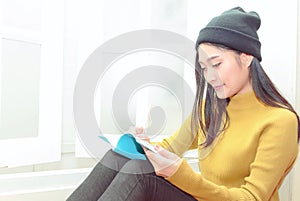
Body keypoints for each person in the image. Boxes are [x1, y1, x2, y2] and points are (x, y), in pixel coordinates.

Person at [67, 7, 299, 201]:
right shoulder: (210, 109)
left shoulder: (279, 121)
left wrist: (183, 175)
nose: (209, 77)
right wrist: (142, 144)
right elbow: (171, 147)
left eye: (216, 64)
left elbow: (253, 198)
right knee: (117, 158)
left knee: (138, 173)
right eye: (204, 68)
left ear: (246, 57)